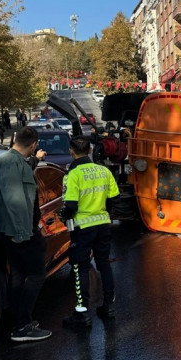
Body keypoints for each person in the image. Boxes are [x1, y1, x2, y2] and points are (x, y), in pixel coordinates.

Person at [0, 127, 51, 342]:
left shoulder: (9, 161)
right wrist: (22, 233)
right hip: (21, 232)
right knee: (35, 275)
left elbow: (22, 172)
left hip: (15, 230)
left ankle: (18, 321)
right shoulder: (11, 164)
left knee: (17, 276)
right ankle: (23, 326)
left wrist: (35, 159)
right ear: (33, 144)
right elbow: (14, 201)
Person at [59, 135, 119, 329]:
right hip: (103, 224)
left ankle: (82, 314)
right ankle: (108, 307)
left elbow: (70, 206)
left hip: (82, 227)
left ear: (71, 151)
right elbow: (112, 199)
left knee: (80, 268)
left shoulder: (73, 175)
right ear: (91, 150)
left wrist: (64, 216)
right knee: (104, 265)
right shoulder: (104, 171)